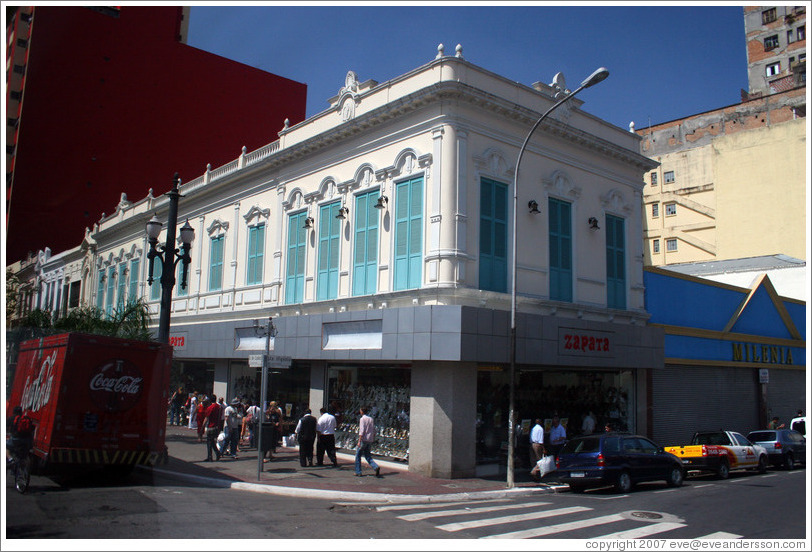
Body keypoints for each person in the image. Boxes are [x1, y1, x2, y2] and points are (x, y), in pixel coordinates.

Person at [355, 407, 381, 477]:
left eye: (360, 410)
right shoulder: (371, 419)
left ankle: (358, 471)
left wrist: (359, 440)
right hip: (370, 439)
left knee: (358, 455)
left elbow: (362, 430)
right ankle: (375, 466)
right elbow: (374, 429)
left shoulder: (362, 419)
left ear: (362, 411)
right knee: (367, 455)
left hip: (364, 439)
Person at [202, 396, 222, 462]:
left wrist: (202, 427)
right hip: (216, 425)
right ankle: (217, 453)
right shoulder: (218, 406)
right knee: (212, 441)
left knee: (209, 442)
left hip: (211, 426)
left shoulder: (210, 408)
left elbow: (206, 418)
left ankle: (210, 456)